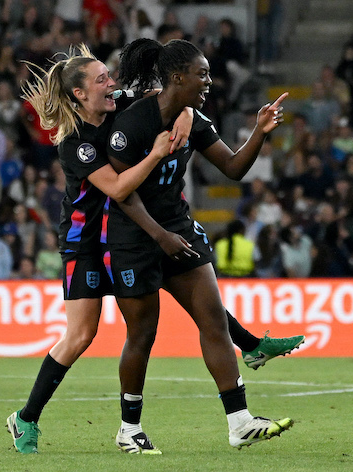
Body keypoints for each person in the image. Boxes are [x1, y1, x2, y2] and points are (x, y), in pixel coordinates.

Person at [6, 45, 303, 455]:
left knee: (204, 307)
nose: (113, 83)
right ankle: (26, 418)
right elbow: (119, 188)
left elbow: (167, 98)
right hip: (86, 241)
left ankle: (246, 371)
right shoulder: (77, 144)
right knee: (82, 334)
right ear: (79, 94)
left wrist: (187, 113)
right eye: (101, 79)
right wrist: (160, 152)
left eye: (110, 76)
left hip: (133, 227)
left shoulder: (121, 104)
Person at [105, 38, 294, 453]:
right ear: (177, 77)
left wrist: (260, 133)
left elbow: (233, 167)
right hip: (135, 236)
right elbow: (121, 193)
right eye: (202, 74)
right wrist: (160, 236)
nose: (209, 81)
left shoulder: (195, 119)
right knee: (143, 334)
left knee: (213, 319)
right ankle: (129, 429)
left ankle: (240, 423)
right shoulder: (132, 124)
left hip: (178, 227)